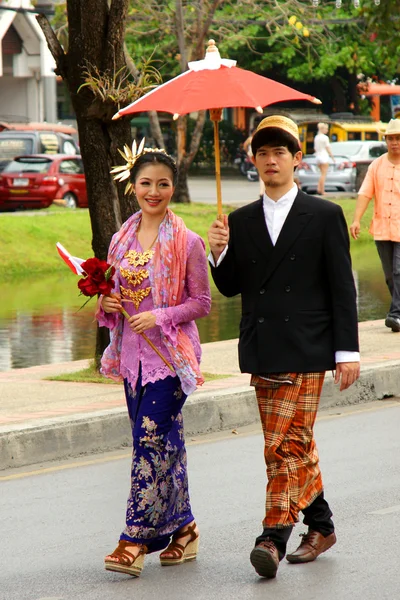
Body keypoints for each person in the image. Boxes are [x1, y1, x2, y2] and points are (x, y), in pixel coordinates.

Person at [207, 115, 360, 579]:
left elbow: (341, 289)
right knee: (294, 445)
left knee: (281, 447)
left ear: (298, 159)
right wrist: (219, 252)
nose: (271, 161)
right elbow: (232, 287)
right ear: (253, 161)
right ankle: (321, 523)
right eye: (263, 153)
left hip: (310, 345)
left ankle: (272, 537)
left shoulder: (325, 215)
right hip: (264, 345)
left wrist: (347, 352)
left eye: (280, 153)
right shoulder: (239, 219)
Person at [96, 143, 211, 577]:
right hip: (132, 360)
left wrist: (160, 315)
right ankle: (185, 529)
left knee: (147, 444)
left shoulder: (188, 241)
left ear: (173, 187)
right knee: (167, 444)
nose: (154, 191)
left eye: (163, 183)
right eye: (146, 183)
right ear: (133, 186)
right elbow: (112, 302)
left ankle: (134, 539)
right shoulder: (119, 239)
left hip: (171, 361)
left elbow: (201, 303)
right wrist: (109, 303)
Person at [350, 118, 400, 333]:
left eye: (398, 138)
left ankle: (395, 314)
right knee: (389, 274)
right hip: (382, 227)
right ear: (385, 140)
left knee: (399, 271)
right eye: (391, 138)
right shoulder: (377, 165)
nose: (395, 142)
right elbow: (365, 193)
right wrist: (356, 220)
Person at [244, 127, 265, 200]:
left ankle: (262, 191)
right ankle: (262, 192)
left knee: (261, 174)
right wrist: (248, 152)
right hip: (253, 156)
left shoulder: (260, 139)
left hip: (258, 156)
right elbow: (245, 146)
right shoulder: (250, 139)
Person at [314, 122, 335, 195]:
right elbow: (328, 148)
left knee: (321, 174)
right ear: (322, 129)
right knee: (324, 174)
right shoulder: (325, 138)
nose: (327, 130)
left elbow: (315, 148)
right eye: (326, 129)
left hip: (317, 156)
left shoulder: (316, 137)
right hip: (324, 156)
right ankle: (322, 190)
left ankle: (319, 188)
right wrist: (332, 157)